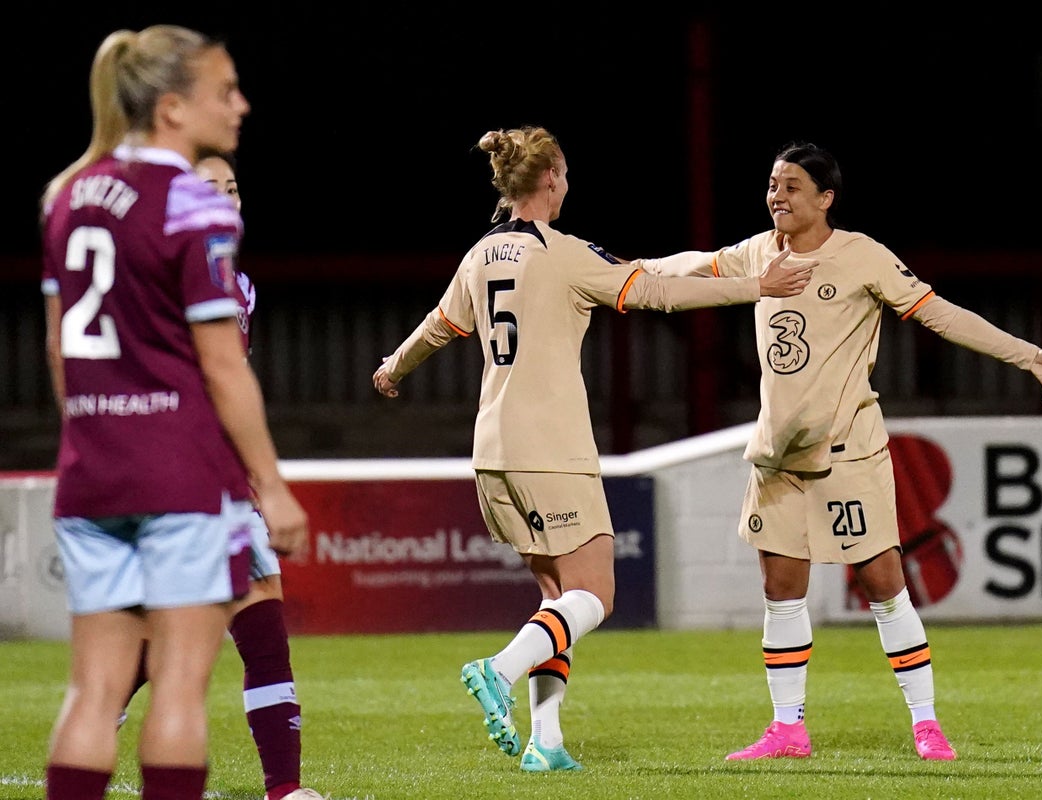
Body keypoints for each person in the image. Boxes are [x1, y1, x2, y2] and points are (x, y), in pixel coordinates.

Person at [633, 140, 1042, 762]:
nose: (778, 196)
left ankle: (926, 725)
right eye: (773, 184)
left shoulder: (862, 257)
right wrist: (623, 269)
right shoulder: (758, 254)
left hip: (849, 449)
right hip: (778, 453)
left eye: (793, 186)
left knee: (884, 583)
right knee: (781, 588)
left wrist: (1025, 356)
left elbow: (942, 315)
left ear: (826, 198)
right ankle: (788, 729)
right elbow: (694, 265)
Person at [371, 125, 814, 772]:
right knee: (596, 595)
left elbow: (441, 326)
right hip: (550, 448)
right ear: (549, 176)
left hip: (492, 451)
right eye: (567, 171)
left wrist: (393, 368)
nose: (569, 181)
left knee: (557, 599)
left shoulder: (481, 254)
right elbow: (656, 290)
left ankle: (545, 742)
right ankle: (498, 671)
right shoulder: (563, 253)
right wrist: (756, 287)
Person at [39, 25, 308, 800]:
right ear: (173, 106)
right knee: (181, 692)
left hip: (93, 473)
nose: (241, 103)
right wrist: (271, 483)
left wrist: (99, 435)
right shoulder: (190, 201)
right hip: (179, 474)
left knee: (92, 693)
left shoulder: (70, 194)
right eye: (225, 90)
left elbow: (60, 353)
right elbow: (223, 363)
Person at [115, 153, 324, 800]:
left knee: (252, 626)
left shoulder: (239, 284)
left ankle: (284, 788)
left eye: (235, 187)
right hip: (179, 473)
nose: (229, 198)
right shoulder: (171, 273)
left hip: (218, 477)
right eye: (212, 188)